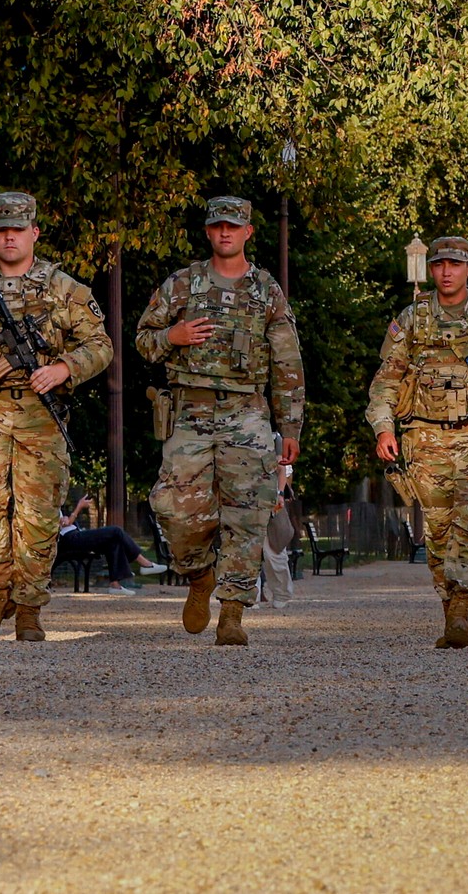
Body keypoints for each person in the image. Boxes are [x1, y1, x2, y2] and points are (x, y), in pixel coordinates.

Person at [0, 191, 113, 642]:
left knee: (38, 514)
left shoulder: (65, 288)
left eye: (17, 229)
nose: (9, 237)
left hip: (40, 412)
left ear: (34, 232)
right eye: (1, 230)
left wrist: (64, 368)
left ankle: (28, 606)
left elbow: (101, 345)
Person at [136, 196, 304, 647]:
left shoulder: (266, 290)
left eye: (233, 226)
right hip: (189, 412)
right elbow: (142, 340)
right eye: (217, 226)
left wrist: (290, 429)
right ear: (208, 232)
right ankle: (198, 574)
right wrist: (172, 335)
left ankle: (233, 612)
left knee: (247, 514)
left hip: (246, 412)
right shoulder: (182, 284)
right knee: (174, 508)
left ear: (248, 231)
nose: (225, 233)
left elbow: (287, 363)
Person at [367, 235, 468, 649]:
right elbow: (387, 379)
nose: (446, 272)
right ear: (432, 269)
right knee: (439, 532)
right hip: (423, 437)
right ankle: (449, 609)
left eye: (455, 265)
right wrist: (383, 427)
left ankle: (462, 606)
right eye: (440, 264)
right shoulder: (412, 319)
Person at [56, 493, 166, 594]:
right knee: (116, 531)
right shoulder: (45, 505)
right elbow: (64, 524)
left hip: (73, 534)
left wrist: (65, 518)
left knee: (113, 542)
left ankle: (115, 585)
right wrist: (79, 507)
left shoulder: (51, 504)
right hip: (69, 539)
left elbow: (64, 522)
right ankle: (145, 563)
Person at [260, 479, 298, 610]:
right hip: (244, 501)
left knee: (274, 552)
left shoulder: (276, 458)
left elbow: (284, 470)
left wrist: (280, 493)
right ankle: (249, 595)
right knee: (246, 553)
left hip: (270, 498)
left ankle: (281, 594)